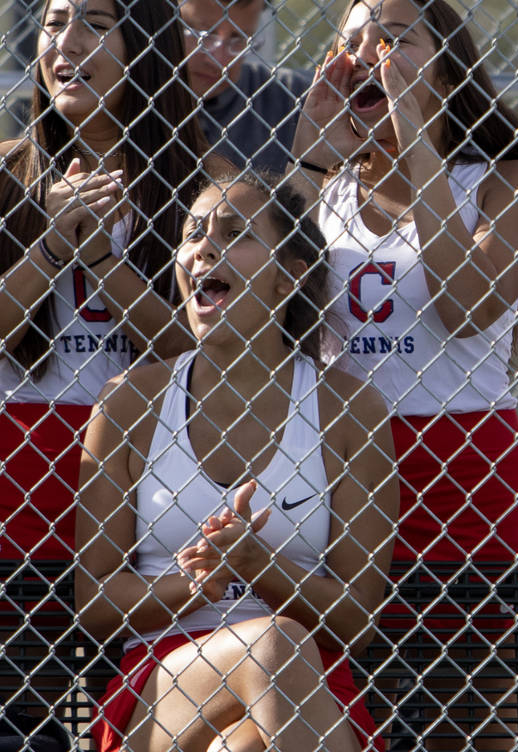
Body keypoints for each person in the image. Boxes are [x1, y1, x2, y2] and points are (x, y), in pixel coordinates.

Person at [286, 0, 518, 748]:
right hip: (340, 471)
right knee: (341, 708)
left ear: (444, 61)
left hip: (464, 466)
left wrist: (418, 144)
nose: (366, 54)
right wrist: (311, 157)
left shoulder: (504, 177)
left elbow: (469, 305)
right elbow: (257, 313)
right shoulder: (326, 190)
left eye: (393, 39)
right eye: (350, 44)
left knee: (468, 719)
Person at [76, 172, 399, 752]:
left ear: (289, 276)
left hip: (309, 687)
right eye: (194, 232)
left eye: (234, 232)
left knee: (249, 739)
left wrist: (257, 564)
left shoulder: (351, 409)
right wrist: (201, 582)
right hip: (164, 679)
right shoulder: (129, 402)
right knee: (271, 645)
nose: (204, 247)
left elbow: (354, 619)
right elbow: (95, 603)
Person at [0, 0, 204, 566]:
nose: (67, 43)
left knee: (152, 646)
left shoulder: (205, 183)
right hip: (24, 449)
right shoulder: (0, 173)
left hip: (161, 448)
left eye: (97, 25)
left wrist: (102, 259)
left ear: (148, 47)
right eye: (54, 24)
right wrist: (52, 248)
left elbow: (206, 352)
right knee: (8, 647)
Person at [181, 0, 311, 174]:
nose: (219, 61)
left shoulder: (293, 102)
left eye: (238, 38)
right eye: (204, 35)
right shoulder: (136, 96)